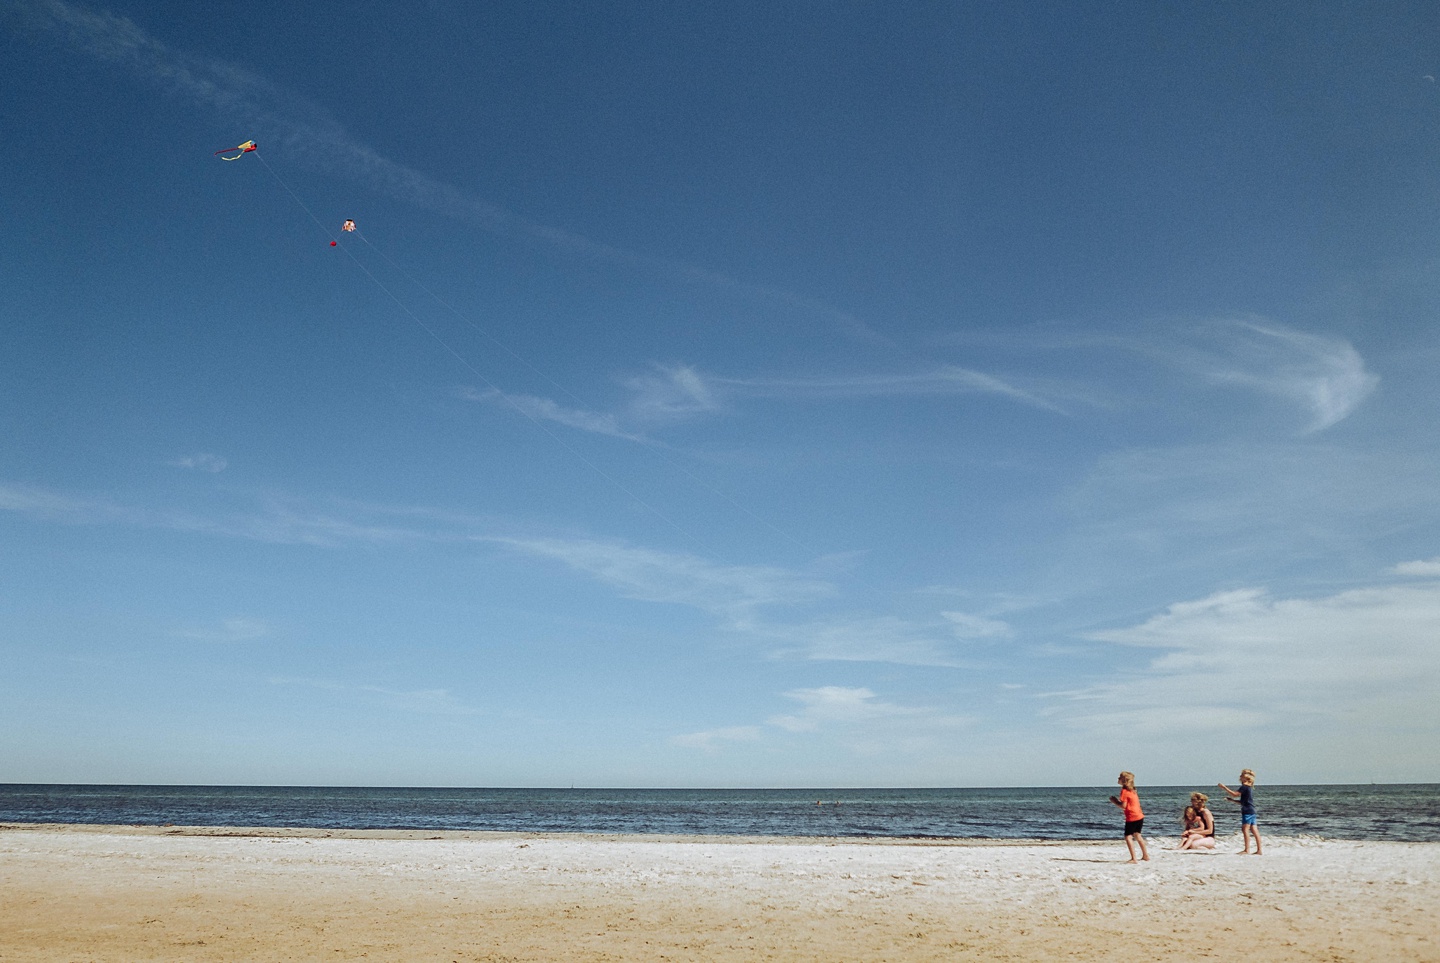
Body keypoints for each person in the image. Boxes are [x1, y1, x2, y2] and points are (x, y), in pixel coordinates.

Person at [1218, 769, 1262, 854]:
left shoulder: (1244, 786)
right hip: (1251, 810)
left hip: (1247, 811)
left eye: (1241, 776)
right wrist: (1231, 800)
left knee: (1245, 829)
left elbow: (1235, 794)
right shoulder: (1249, 787)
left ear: (1245, 778)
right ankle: (1259, 850)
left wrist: (1224, 787)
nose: (1239, 777)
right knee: (1254, 831)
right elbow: (1243, 802)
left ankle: (1246, 850)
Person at [1108, 771, 1149, 862]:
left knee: (1128, 837)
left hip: (1132, 817)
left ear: (1123, 781)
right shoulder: (1133, 790)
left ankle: (1134, 858)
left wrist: (1114, 801)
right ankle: (1145, 855)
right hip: (1139, 815)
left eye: (1119, 778)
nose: (1118, 779)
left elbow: (1123, 806)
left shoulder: (1124, 791)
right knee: (1138, 835)